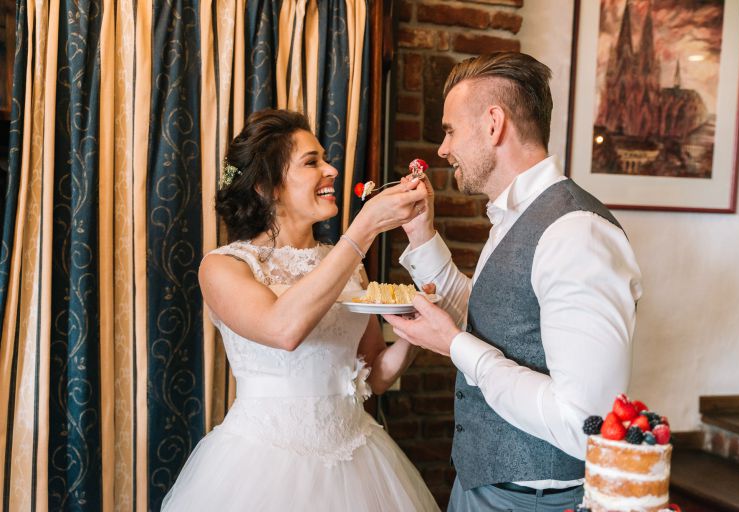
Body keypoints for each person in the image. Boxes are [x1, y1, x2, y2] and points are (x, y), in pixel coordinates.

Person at [384, 52, 642, 511]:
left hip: (534, 501)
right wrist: (422, 238)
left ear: (493, 124)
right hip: (483, 484)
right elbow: (495, 319)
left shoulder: (575, 233)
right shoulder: (517, 214)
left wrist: (455, 346)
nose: (442, 149)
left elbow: (586, 423)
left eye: (450, 130)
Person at [162, 109, 439, 511]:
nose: (331, 170)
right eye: (312, 162)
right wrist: (363, 229)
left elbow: (375, 375)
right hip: (263, 466)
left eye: (325, 159)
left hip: (357, 458)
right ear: (267, 186)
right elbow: (283, 330)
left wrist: (416, 331)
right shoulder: (225, 267)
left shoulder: (348, 264)